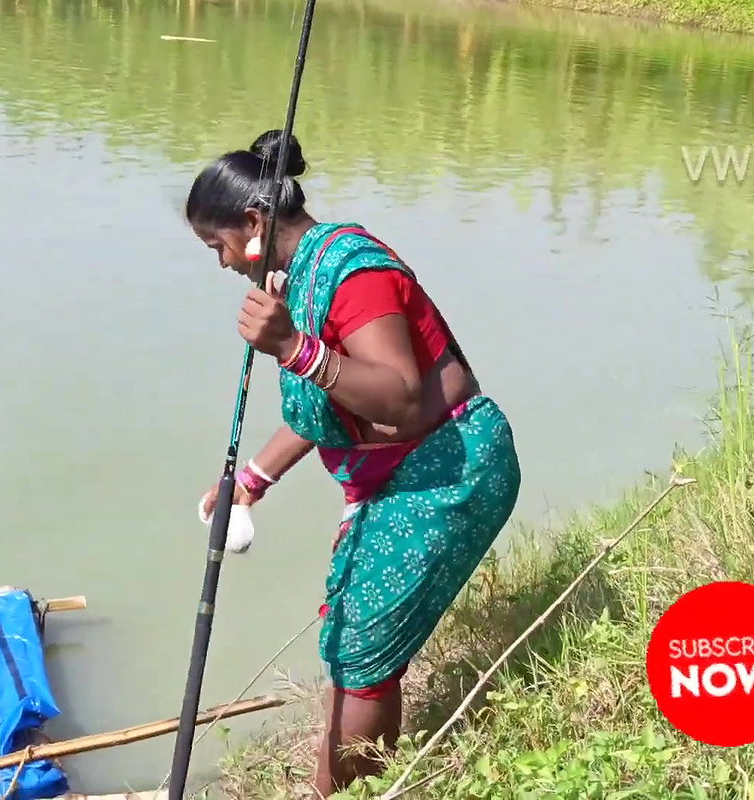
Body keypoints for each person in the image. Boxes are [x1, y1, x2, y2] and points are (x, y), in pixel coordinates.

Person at [188, 129, 522, 796]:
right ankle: (345, 783)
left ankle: (344, 790)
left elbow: (397, 400)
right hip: (404, 472)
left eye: (217, 245)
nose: (221, 263)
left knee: (360, 650)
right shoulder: (301, 273)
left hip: (447, 467)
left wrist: (292, 347)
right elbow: (327, 403)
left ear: (253, 223)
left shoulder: (354, 274)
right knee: (352, 644)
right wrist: (251, 481)